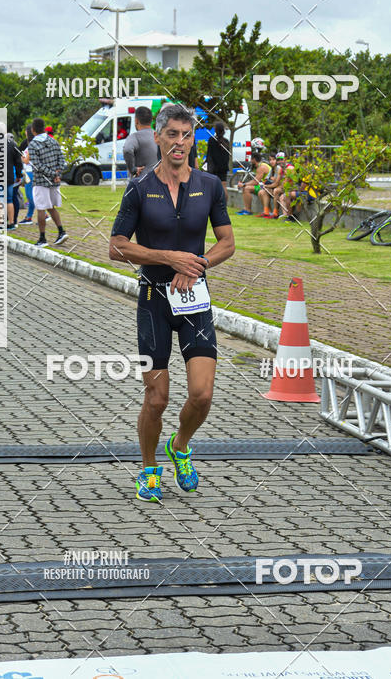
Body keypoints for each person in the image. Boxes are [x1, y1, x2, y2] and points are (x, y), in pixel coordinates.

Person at [109, 103, 235, 503]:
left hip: (195, 300)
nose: (180, 142)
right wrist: (169, 258)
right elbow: (117, 248)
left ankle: (180, 446)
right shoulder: (140, 186)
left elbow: (227, 243)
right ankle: (149, 470)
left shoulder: (210, 185)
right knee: (157, 398)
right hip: (153, 300)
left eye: (187, 135)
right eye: (172, 134)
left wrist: (195, 265)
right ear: (158, 136)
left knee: (202, 395)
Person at [28, 117, 68, 248]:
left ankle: (42, 238)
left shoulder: (33, 145)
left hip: (40, 181)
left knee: (41, 208)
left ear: (33, 130)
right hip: (54, 181)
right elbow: (62, 160)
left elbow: (37, 165)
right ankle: (61, 231)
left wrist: (52, 174)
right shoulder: (53, 141)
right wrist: (57, 174)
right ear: (44, 128)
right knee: (51, 207)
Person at [122, 106, 158, 178]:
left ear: (136, 120)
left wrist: (133, 170)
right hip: (158, 180)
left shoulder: (135, 137)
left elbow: (127, 150)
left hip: (140, 181)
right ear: (151, 121)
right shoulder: (158, 136)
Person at [236, 146, 270, 215]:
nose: (250, 161)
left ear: (254, 159)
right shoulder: (258, 166)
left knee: (246, 188)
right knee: (245, 188)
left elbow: (255, 182)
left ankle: (248, 210)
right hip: (262, 185)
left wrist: (244, 184)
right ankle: (246, 209)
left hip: (265, 186)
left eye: (251, 159)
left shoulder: (261, 167)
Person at [206, 122, 230, 203]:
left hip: (214, 167)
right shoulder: (226, 141)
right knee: (223, 186)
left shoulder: (212, 140)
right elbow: (227, 156)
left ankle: (212, 203)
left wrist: (208, 167)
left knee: (212, 186)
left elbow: (209, 155)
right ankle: (224, 204)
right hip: (223, 167)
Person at [18, 125, 36, 225]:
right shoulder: (29, 143)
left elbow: (26, 160)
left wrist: (20, 157)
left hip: (30, 172)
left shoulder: (31, 144)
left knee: (30, 195)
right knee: (32, 195)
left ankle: (43, 213)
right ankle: (29, 216)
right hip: (30, 171)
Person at [257, 152, 284, 218]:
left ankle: (275, 212)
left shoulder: (278, 168)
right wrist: (267, 184)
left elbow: (276, 183)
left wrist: (266, 186)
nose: (271, 161)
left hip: (279, 188)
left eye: (273, 159)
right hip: (274, 187)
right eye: (270, 160)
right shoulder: (272, 169)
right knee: (261, 192)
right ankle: (267, 211)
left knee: (274, 191)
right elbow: (267, 179)